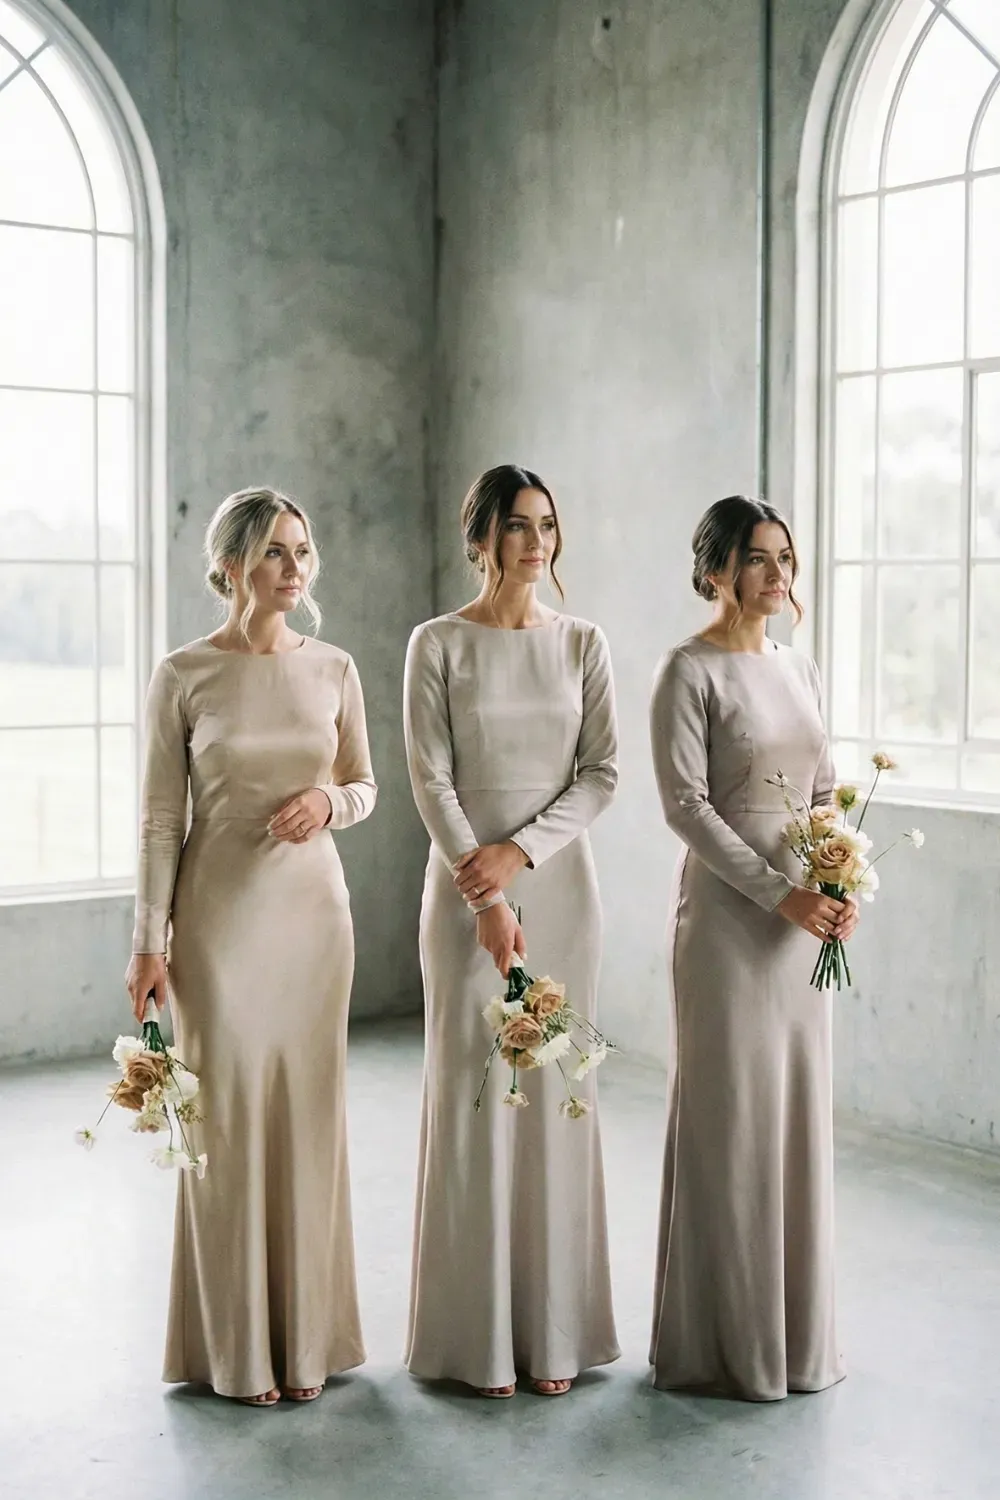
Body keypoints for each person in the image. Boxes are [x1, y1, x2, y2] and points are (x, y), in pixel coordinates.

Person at [126, 486, 376, 1407]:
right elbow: (161, 819)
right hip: (220, 922)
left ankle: (307, 1343)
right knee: (224, 1124)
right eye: (274, 551)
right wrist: (148, 942)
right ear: (231, 564)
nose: (293, 567)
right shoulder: (183, 673)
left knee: (310, 1119)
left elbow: (365, 785)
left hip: (314, 919)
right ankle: (234, 1349)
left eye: (301, 551)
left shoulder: (335, 668)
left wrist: (328, 802)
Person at [402, 464, 620, 1398]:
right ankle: (475, 1339)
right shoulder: (437, 643)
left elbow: (603, 772)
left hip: (563, 888)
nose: (538, 542)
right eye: (520, 525)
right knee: (474, 1095)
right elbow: (429, 776)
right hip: (463, 895)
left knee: (560, 1095)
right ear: (481, 537)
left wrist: (521, 855)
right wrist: (486, 895)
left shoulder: (583, 643)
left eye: (547, 525)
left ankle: (554, 1335)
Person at [648, 493, 856, 1401]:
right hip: (731, 927)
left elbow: (823, 790)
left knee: (794, 1117)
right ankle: (727, 1347)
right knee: (730, 1120)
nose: (777, 574)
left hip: (804, 927)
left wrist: (838, 881)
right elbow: (685, 808)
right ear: (716, 570)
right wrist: (781, 892)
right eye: (759, 558)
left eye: (785, 558)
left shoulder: (799, 667)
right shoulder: (687, 671)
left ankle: (796, 1340)